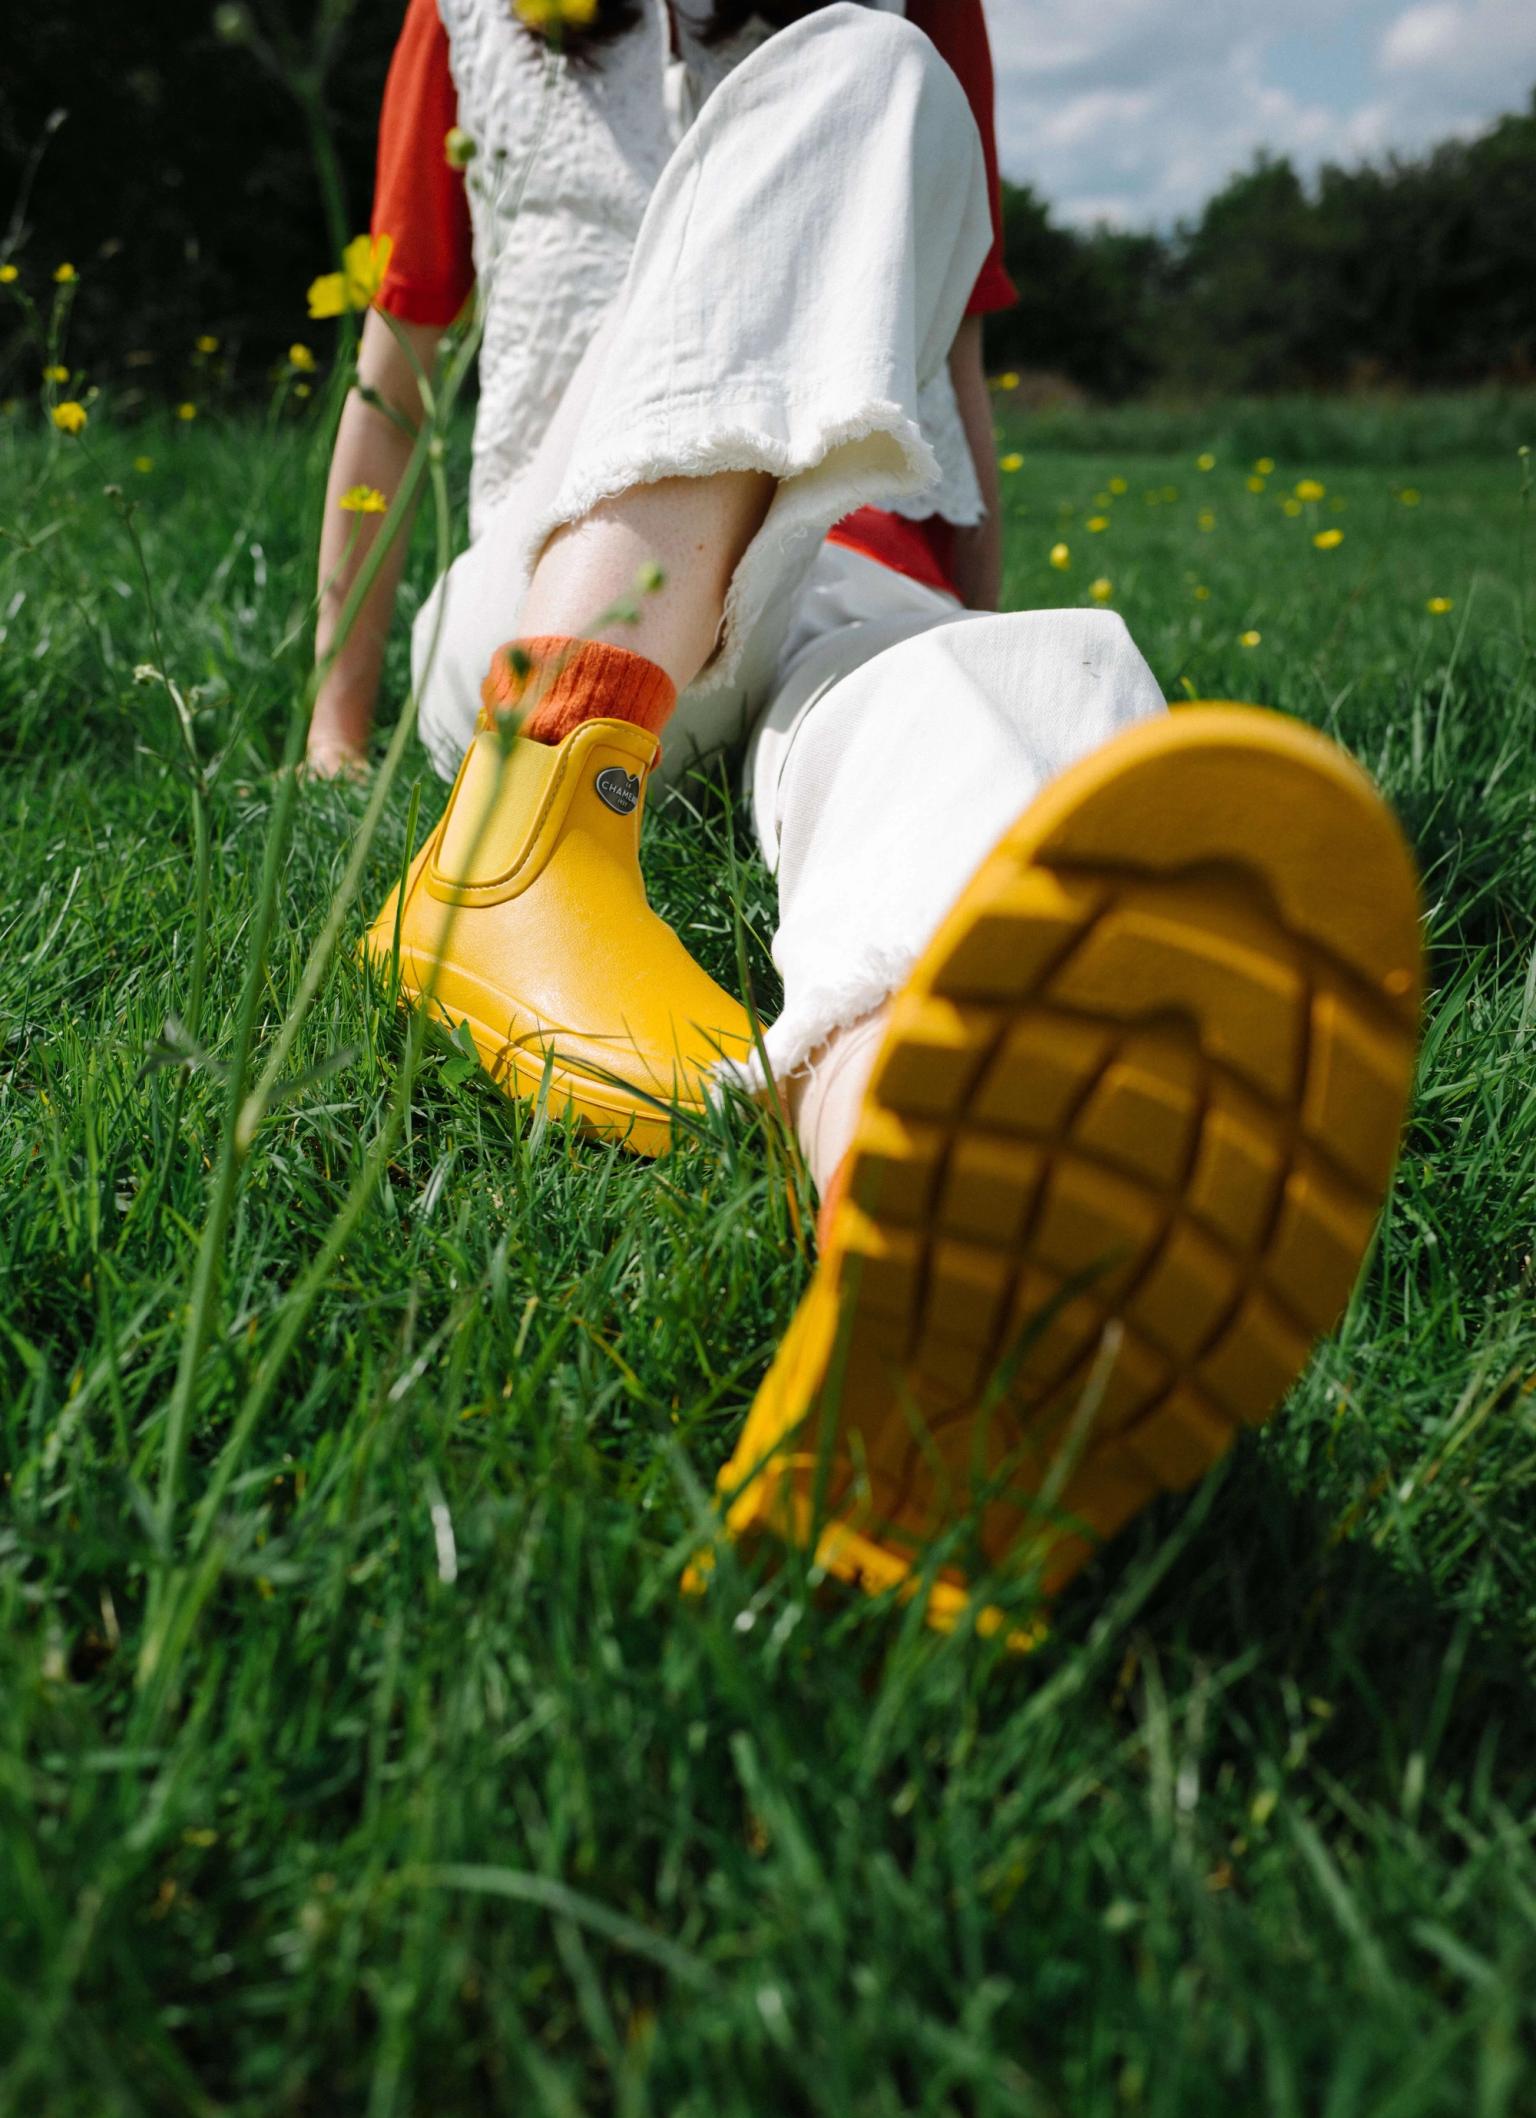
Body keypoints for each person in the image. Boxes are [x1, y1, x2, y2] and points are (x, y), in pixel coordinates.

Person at [308, 0, 1423, 1635]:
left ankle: (904, 1182)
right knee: (866, 71)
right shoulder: (463, 18)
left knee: (986, 708)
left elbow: (945, 359)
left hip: (829, 584)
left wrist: (961, 638)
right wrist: (340, 725)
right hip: (552, 583)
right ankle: (531, 810)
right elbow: (392, 369)